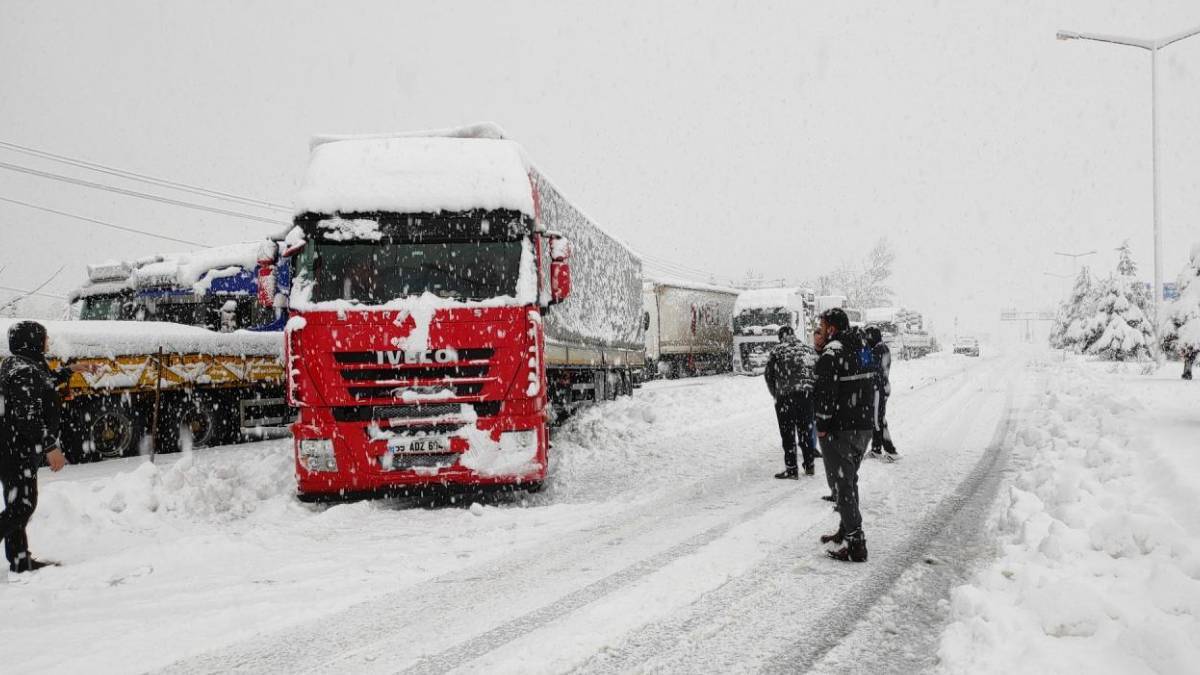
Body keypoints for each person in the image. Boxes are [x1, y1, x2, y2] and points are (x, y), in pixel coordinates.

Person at [0, 321, 71, 573]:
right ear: (32, 340)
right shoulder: (23, 371)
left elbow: (45, 380)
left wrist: (70, 370)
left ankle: (20, 559)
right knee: (23, 506)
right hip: (14, 449)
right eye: (44, 338)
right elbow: (26, 416)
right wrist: (50, 447)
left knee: (17, 503)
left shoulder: (20, 364)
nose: (48, 342)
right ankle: (19, 558)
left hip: (11, 447)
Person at [813, 308, 876, 563]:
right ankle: (846, 528)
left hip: (840, 429)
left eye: (822, 325)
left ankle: (855, 542)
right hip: (863, 428)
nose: (819, 329)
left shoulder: (832, 353)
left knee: (842, 484)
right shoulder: (862, 347)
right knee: (849, 480)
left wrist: (822, 424)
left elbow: (825, 395)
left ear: (831, 328)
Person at [763, 325, 818, 478]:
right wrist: (811, 392)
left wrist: (776, 393)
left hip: (785, 397)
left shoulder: (777, 351)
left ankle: (792, 469)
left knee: (788, 434)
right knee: (805, 431)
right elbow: (817, 372)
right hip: (806, 396)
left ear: (780, 337)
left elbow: (768, 375)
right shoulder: (807, 349)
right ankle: (809, 465)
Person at [864, 326, 899, 460]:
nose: (866, 341)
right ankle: (876, 449)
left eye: (867, 337)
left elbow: (872, 368)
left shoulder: (879, 349)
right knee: (876, 419)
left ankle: (891, 451)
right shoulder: (880, 348)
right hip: (881, 387)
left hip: (879, 389)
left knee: (878, 420)